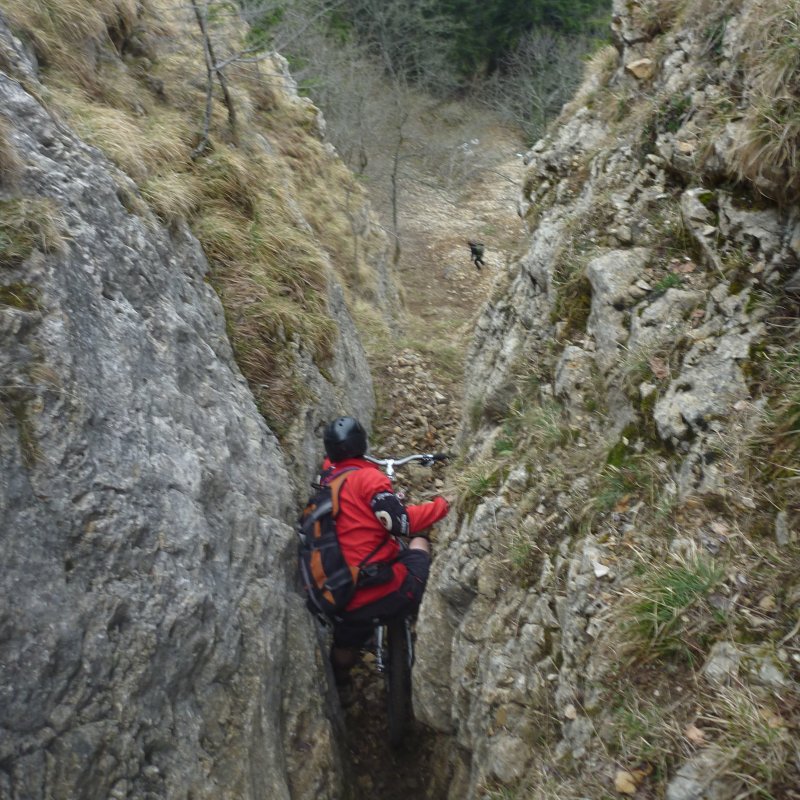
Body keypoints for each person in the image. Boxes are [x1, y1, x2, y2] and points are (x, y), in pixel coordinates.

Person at [319, 415, 450, 686]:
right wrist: (442, 505)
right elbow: (399, 523)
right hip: (381, 590)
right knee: (418, 543)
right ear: (362, 443)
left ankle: (340, 684)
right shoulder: (369, 479)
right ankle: (418, 623)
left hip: (337, 595)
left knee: (345, 642)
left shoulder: (326, 480)